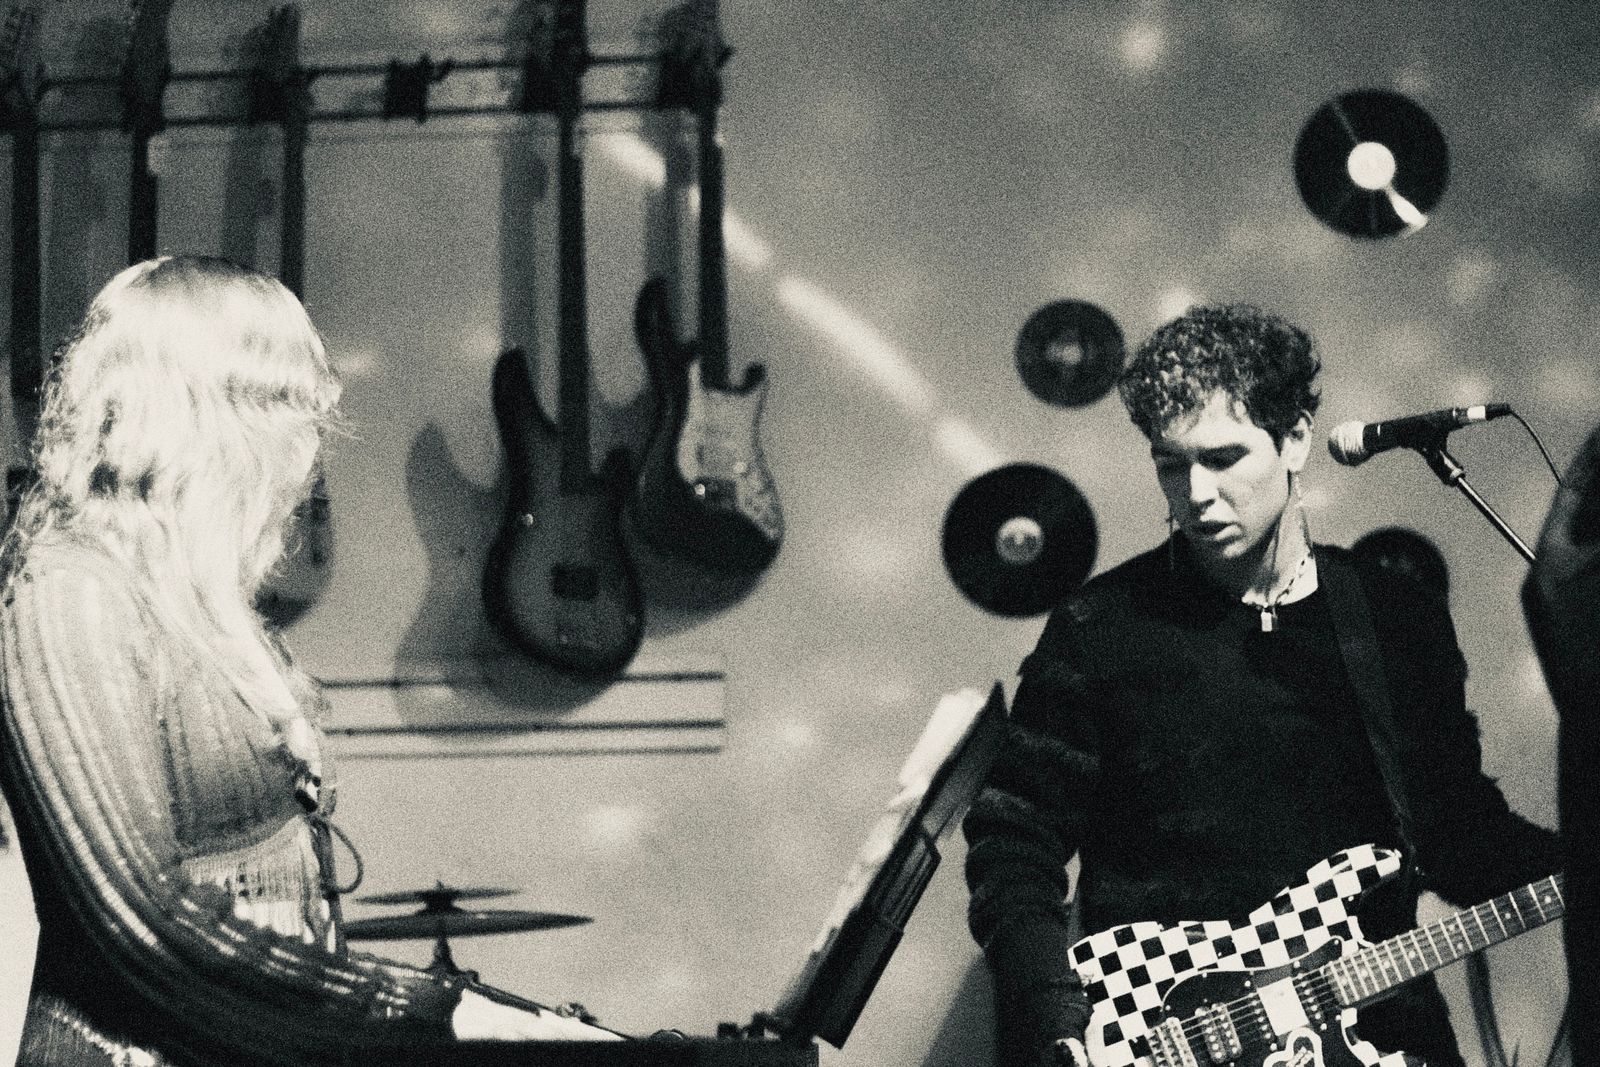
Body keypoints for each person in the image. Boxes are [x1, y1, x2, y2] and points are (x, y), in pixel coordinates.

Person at [0, 256, 619, 1065]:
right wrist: (424, 1007)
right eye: (284, 413)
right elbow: (142, 918)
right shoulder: (69, 591)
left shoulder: (199, 607)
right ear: (204, 417)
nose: (305, 454)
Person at [964, 303, 1562, 1067]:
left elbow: (1460, 835)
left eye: (1222, 458)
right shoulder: (1100, 627)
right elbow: (1014, 839)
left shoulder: (1393, 616)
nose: (1196, 493)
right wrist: (1054, 1008)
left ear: (1296, 438)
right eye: (1171, 464)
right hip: (1173, 1031)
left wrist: (1571, 860)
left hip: (1381, 1030)